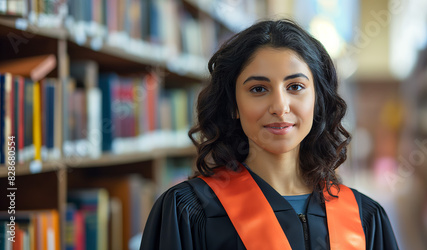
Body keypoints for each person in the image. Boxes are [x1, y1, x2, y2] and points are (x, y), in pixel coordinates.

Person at [140, 19, 399, 250]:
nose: (279, 107)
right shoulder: (187, 212)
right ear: (233, 106)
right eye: (258, 89)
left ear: (317, 102)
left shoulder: (364, 217)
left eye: (295, 86)